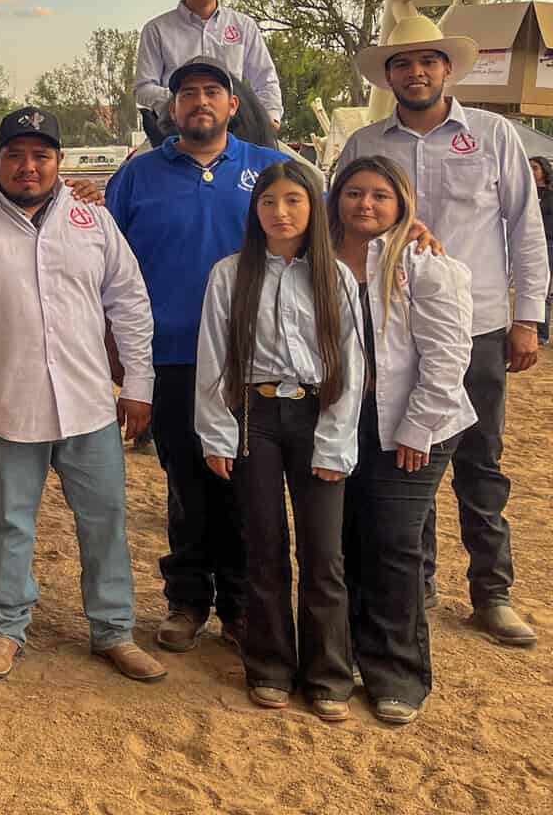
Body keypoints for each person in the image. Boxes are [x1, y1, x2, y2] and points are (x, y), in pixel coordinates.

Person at [0, 107, 165, 683]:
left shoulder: (91, 221)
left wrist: (139, 383)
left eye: (41, 156)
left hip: (88, 404)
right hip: (5, 403)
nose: (28, 167)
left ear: (59, 161)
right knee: (8, 521)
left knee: (104, 520)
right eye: (15, 156)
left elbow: (129, 303)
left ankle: (113, 630)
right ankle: (5, 627)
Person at [336, 15, 546, 647]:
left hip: (477, 324)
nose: (415, 72)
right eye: (402, 64)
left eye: (426, 61)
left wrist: (528, 316)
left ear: (447, 68)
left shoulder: (493, 135)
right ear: (389, 75)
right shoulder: (365, 143)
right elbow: (337, 222)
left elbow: (523, 227)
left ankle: (493, 590)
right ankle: (415, 581)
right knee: (405, 447)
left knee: (481, 460)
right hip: (387, 328)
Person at [106, 56, 290, 654]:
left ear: (233, 104)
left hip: (254, 359)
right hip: (171, 355)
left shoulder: (271, 171)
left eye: (213, 91)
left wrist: (414, 228)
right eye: (188, 93)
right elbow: (107, 264)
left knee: (245, 483)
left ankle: (239, 605)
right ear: (172, 107)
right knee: (185, 481)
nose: (200, 102)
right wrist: (117, 347)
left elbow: (336, 232)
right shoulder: (137, 176)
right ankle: (187, 599)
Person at [196, 160, 362, 722]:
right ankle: (269, 664)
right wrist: (218, 432)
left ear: (313, 208)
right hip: (255, 418)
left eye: (294, 200)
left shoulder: (334, 276)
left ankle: (329, 673)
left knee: (324, 553)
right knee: (263, 546)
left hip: (316, 413)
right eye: (269, 202)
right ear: (255, 210)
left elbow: (351, 362)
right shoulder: (229, 274)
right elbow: (214, 358)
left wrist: (337, 439)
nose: (281, 212)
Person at [330, 157, 475, 725]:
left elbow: (446, 357)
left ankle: (398, 673)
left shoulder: (424, 262)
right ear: (336, 198)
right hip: (346, 424)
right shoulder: (316, 259)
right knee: (346, 540)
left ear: (402, 205)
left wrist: (416, 429)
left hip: (416, 427)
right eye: (354, 193)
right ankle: (351, 655)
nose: (365, 205)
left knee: (392, 543)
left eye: (380, 196)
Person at [135, 0, 283, 133]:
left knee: (282, 163)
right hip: (173, 130)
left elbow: (265, 79)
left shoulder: (244, 26)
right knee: (141, 165)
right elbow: (144, 87)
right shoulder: (157, 30)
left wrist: (270, 115)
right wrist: (184, 102)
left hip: (236, 129)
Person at [530, 155, 553, 345]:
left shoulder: (550, 195)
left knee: (545, 290)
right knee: (537, 288)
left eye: (535, 167)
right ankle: (537, 333)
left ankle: (542, 334)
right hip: (531, 245)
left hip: (549, 245)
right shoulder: (524, 192)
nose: (531, 171)